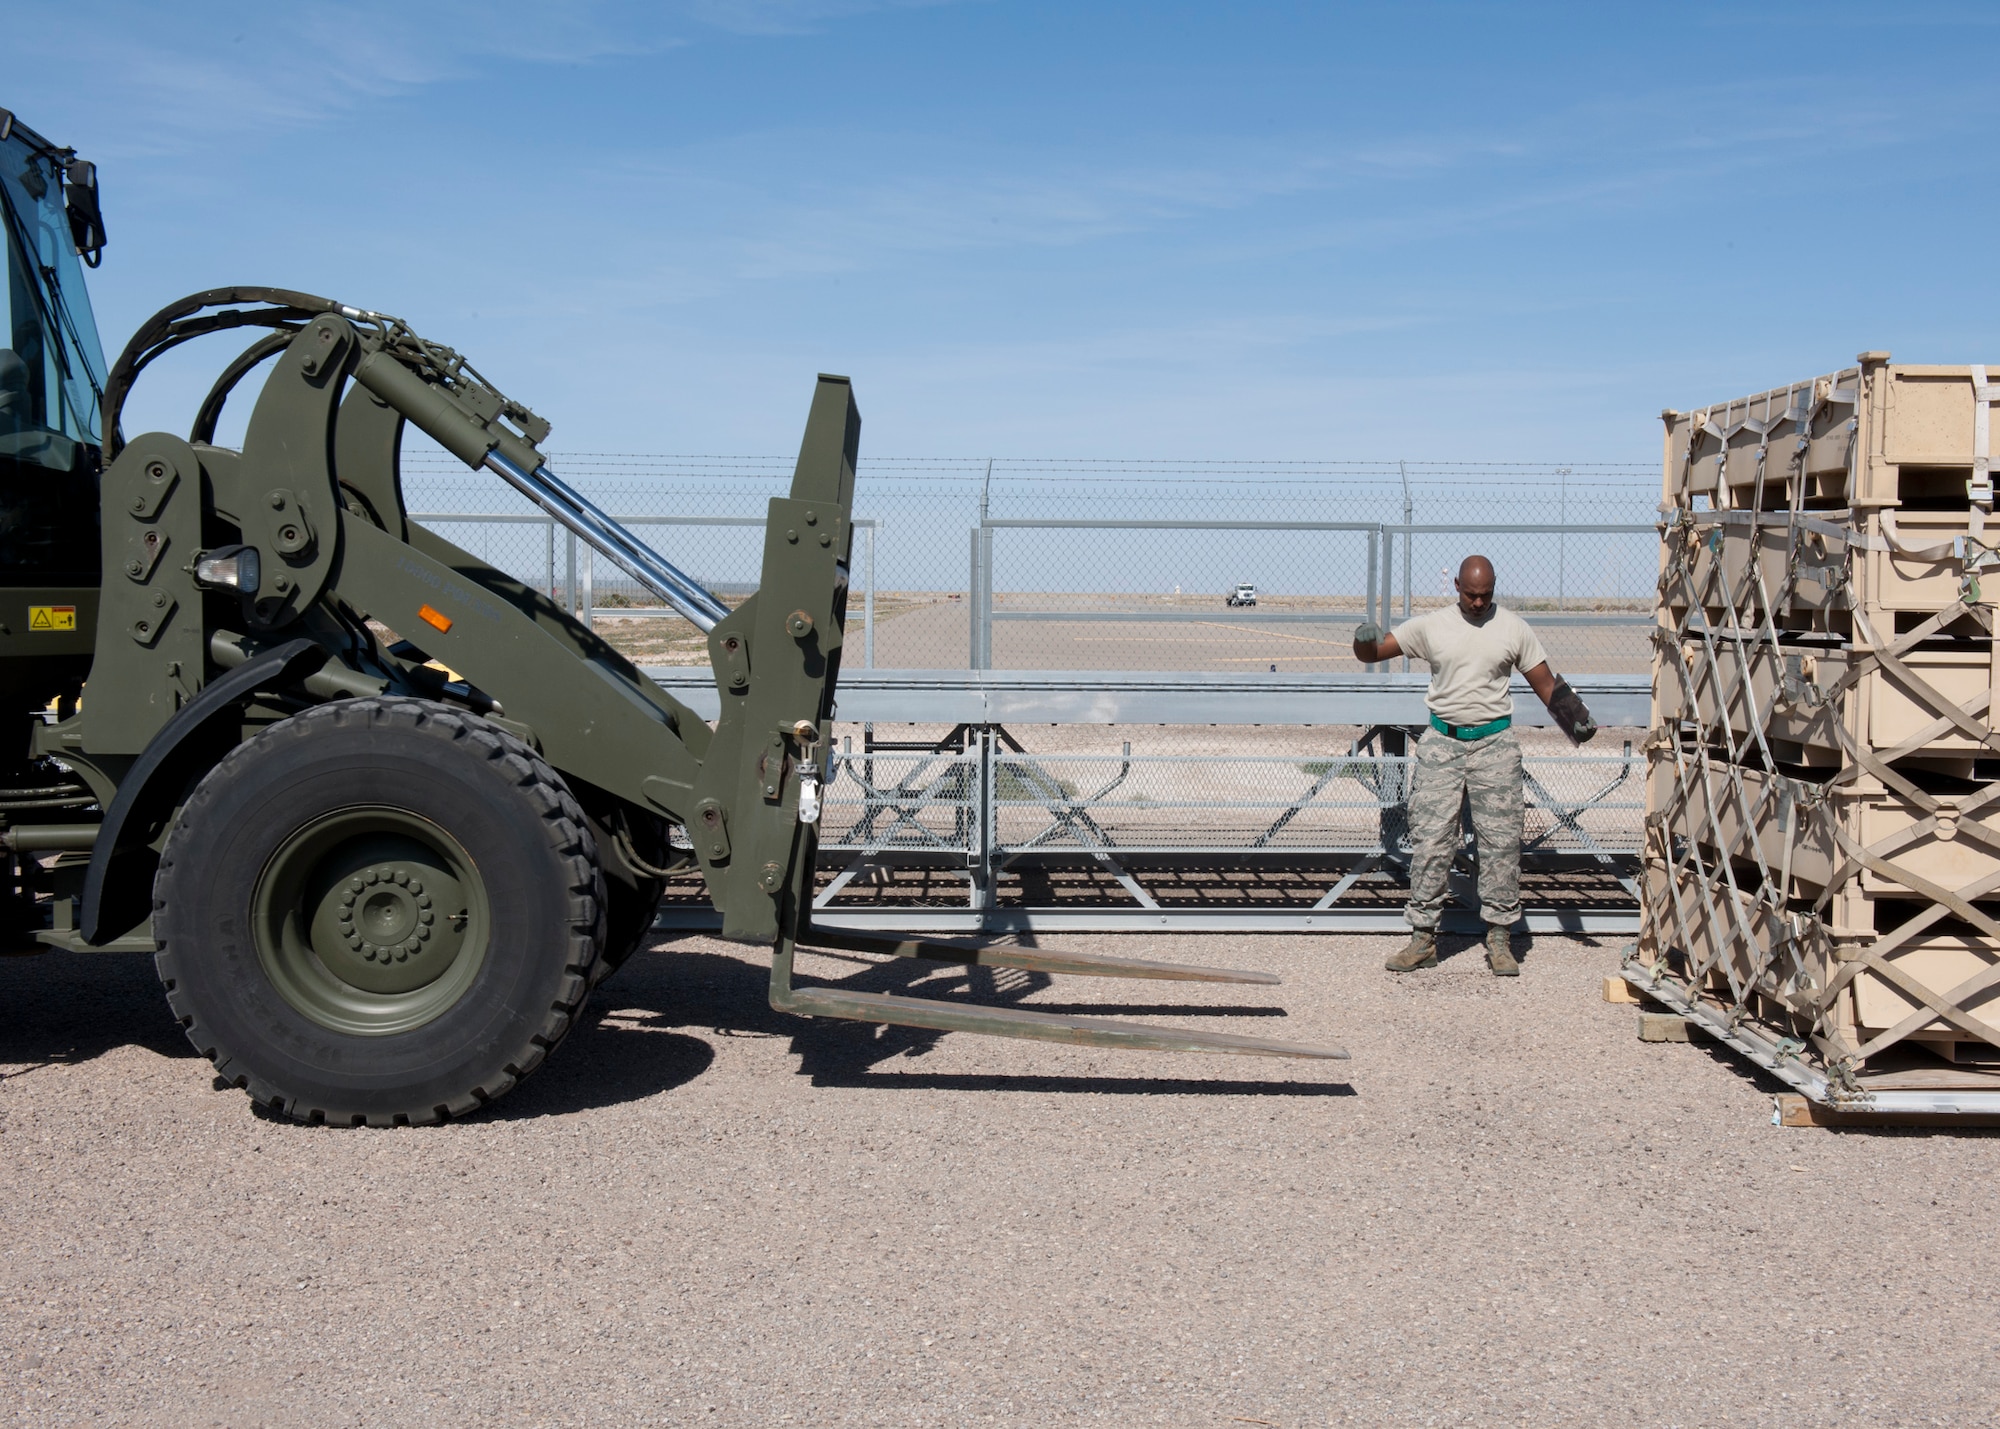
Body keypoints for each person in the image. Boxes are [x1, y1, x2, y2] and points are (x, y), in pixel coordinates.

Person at [1351, 555, 1596, 977]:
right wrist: (1362, 639)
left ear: (1494, 588)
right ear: (1458, 588)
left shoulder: (1514, 628)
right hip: (1442, 743)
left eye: (1486, 595)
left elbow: (1544, 682)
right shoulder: (1431, 626)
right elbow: (1373, 651)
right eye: (1471, 594)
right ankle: (1423, 939)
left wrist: (1577, 719)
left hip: (1494, 745)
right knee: (1431, 843)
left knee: (1500, 845)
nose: (1479, 602)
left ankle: (1500, 940)